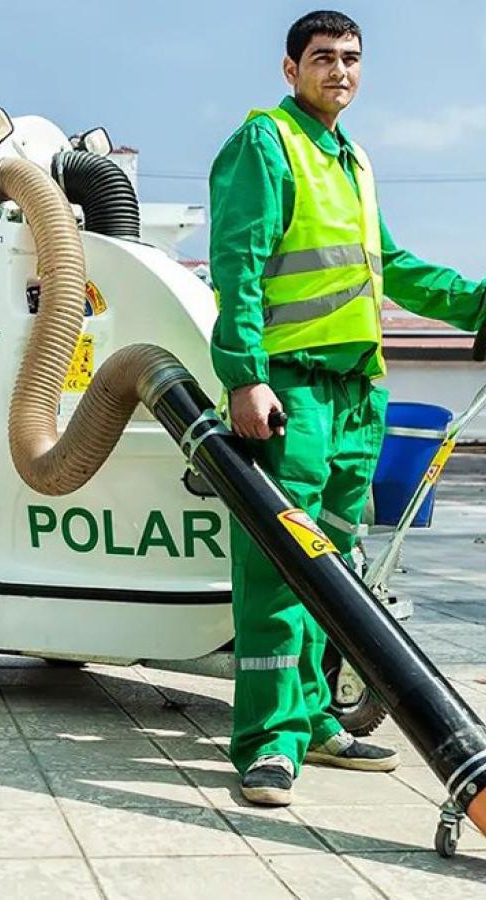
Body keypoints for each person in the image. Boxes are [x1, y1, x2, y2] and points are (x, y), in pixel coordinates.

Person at [208, 9, 486, 806]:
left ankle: (313, 719)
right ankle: (268, 742)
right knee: (281, 568)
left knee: (336, 572)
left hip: (358, 394)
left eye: (351, 58)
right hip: (291, 392)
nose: (339, 70)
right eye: (323, 57)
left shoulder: (354, 160)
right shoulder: (266, 142)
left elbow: (389, 265)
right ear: (290, 69)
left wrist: (477, 302)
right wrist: (245, 376)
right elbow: (238, 265)